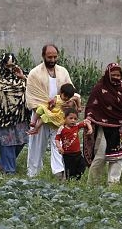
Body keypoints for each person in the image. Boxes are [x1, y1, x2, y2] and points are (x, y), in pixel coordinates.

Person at [83, 62, 122, 185]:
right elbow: (91, 106)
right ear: (108, 74)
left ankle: (113, 184)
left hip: (119, 128)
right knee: (100, 157)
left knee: (118, 158)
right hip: (104, 128)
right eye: (113, 75)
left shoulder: (121, 88)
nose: (116, 77)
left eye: (118, 75)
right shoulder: (99, 88)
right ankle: (91, 184)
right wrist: (89, 118)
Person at [25, 44, 72, 178]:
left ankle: (59, 173)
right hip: (41, 113)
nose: (52, 60)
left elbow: (71, 91)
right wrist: (45, 110)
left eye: (55, 57)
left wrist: (65, 105)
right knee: (36, 146)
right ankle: (33, 174)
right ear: (43, 56)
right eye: (49, 57)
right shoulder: (34, 73)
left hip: (58, 115)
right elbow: (31, 97)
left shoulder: (63, 71)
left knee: (58, 143)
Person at [55, 108, 93, 180]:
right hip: (67, 154)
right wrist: (59, 147)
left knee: (82, 165)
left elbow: (87, 122)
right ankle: (70, 181)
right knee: (70, 170)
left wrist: (90, 129)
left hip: (77, 153)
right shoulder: (62, 128)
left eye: (75, 119)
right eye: (71, 118)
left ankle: (77, 178)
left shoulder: (76, 126)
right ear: (65, 118)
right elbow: (57, 139)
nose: (73, 120)